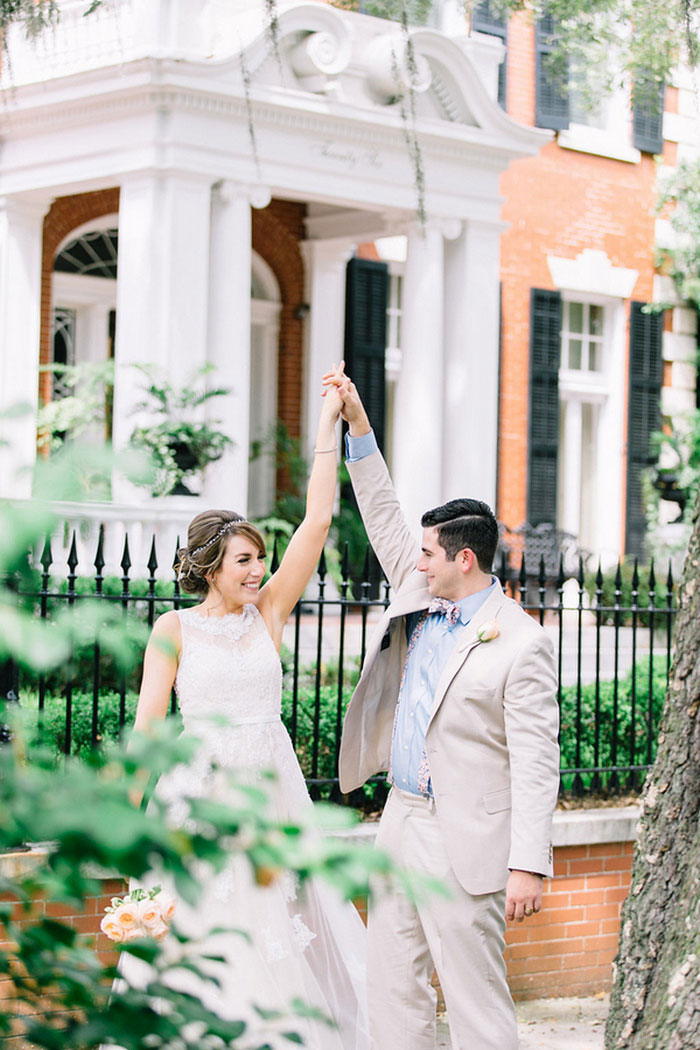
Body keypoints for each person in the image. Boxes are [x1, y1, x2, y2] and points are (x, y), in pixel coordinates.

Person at [124, 364, 368, 1050]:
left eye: (260, 558)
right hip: (195, 799)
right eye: (243, 562)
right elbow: (147, 732)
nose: (257, 570)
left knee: (278, 928)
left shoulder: (270, 613)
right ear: (210, 570)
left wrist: (329, 424)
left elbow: (318, 518)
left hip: (269, 794)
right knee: (196, 933)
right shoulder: (172, 630)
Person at [325, 372, 560, 1050]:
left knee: (474, 998)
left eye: (430, 554)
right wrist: (359, 428)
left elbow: (538, 762)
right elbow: (383, 515)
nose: (417, 562)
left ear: (464, 558)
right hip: (402, 819)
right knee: (393, 988)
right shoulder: (419, 590)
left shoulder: (522, 642)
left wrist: (529, 863)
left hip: (470, 843)